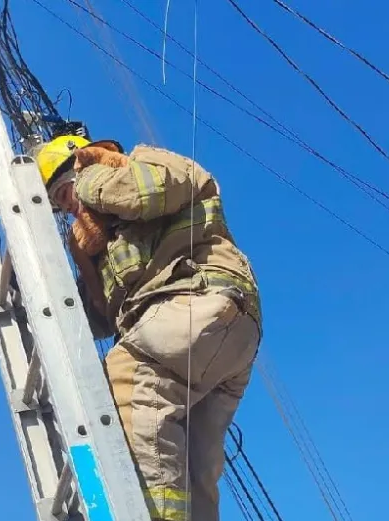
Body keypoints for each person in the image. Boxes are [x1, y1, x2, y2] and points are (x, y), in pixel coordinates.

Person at [35, 134, 262, 521]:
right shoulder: (107, 241)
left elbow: (151, 193)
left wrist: (90, 179)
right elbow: (102, 320)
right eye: (60, 201)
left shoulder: (142, 163)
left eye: (66, 188)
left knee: (129, 375)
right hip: (213, 341)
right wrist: (82, 261)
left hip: (200, 301)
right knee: (194, 471)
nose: (70, 204)